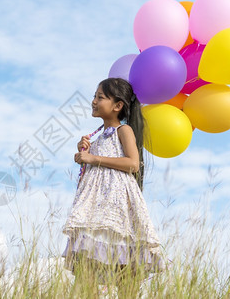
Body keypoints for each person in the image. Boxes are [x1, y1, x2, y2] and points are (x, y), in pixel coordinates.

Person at [62, 78, 166, 297]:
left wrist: (92, 158)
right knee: (85, 274)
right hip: (96, 213)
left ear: (118, 106)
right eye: (95, 96)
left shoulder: (123, 130)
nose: (93, 101)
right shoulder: (98, 139)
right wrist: (84, 157)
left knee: (125, 276)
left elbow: (132, 163)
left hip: (117, 211)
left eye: (100, 97)